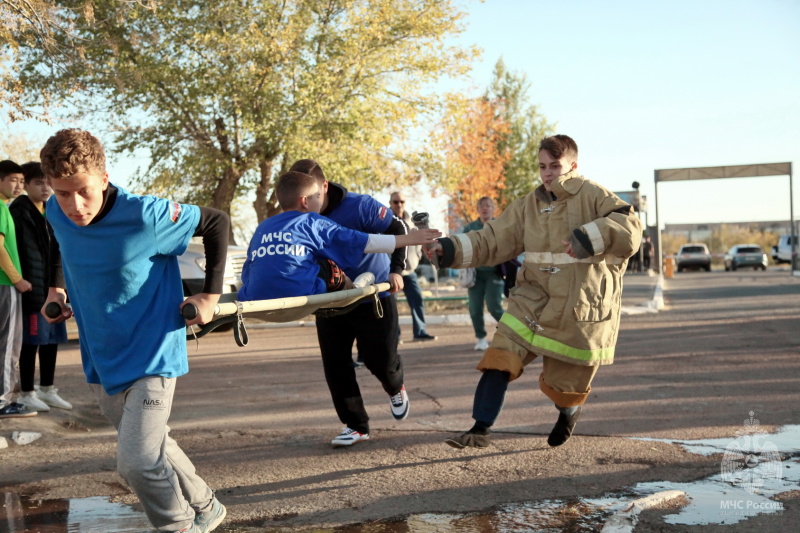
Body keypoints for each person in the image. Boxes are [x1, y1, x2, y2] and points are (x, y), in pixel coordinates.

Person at [40, 129, 227, 533]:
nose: (74, 205)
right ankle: (207, 507)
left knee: (137, 462)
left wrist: (210, 297)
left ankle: (178, 526)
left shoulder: (147, 216)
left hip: (153, 350)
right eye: (62, 193)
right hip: (101, 354)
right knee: (151, 443)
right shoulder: (56, 210)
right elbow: (59, 238)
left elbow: (216, 223)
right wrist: (56, 287)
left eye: (83, 191)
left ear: (104, 177)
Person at [429, 134, 642, 449]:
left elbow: (630, 227)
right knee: (500, 356)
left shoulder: (594, 195)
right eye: (542, 166)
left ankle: (568, 411)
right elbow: (492, 239)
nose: (548, 173)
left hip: (577, 305)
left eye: (555, 166)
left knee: (564, 386)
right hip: (532, 299)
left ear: (573, 164)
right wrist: (447, 248)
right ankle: (479, 428)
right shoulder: (527, 205)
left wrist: (590, 236)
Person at [288, 159, 415, 448]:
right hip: (329, 296)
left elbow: (398, 228)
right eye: (300, 199)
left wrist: (397, 269)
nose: (304, 204)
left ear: (324, 186)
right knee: (335, 364)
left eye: (309, 197)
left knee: (378, 359)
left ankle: (395, 386)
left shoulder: (361, 206)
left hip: (373, 294)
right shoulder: (297, 214)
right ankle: (355, 425)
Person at [238, 172, 440, 302]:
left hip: (253, 297)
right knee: (329, 270)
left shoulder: (263, 227)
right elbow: (364, 241)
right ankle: (356, 286)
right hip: (303, 294)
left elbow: (247, 270)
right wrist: (410, 239)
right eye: (317, 195)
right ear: (305, 202)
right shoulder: (314, 222)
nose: (321, 199)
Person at [10, 162, 71, 412]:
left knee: (51, 340)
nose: (45, 187)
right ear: (26, 185)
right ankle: (26, 392)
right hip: (31, 290)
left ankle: (47, 389)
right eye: (38, 183)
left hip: (51, 288)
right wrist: (30, 285)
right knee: (31, 342)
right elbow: (24, 253)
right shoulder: (20, 210)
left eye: (48, 182)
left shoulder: (51, 210)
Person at [0, 160, 36, 419]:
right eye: (13, 180)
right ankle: (3, 402)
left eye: (22, 181)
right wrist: (16, 279)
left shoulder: (5, 207)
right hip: (5, 285)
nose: (19, 186)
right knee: (9, 345)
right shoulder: (1, 209)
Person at [389, 191, 437, 342]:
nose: (399, 205)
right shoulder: (384, 222)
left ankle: (420, 331)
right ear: (390, 203)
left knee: (417, 301)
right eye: (396, 202)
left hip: (410, 271)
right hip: (391, 273)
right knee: (391, 306)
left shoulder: (412, 223)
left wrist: (417, 256)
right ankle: (394, 336)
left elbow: (420, 242)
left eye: (402, 202)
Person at [463, 197, 505, 351]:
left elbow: (507, 245)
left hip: (495, 273)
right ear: (477, 209)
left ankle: (513, 333)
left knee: (494, 306)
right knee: (474, 308)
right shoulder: (470, 228)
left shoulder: (499, 225)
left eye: (488, 205)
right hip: (475, 274)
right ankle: (480, 338)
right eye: (481, 206)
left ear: (493, 208)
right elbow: (463, 247)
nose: (485, 208)